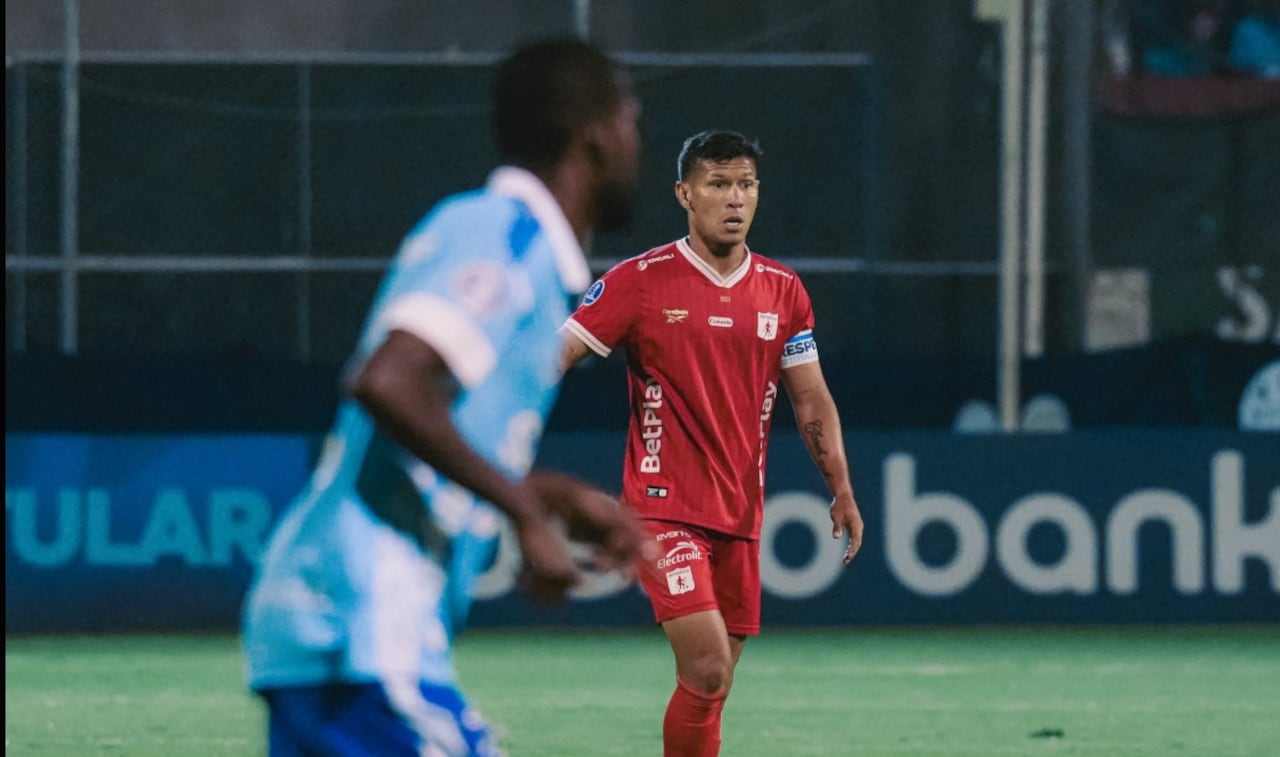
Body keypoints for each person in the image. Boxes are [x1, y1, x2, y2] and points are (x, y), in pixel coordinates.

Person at [242, 38, 649, 757]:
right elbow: (388, 381)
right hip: (363, 630)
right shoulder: (506, 235)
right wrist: (524, 512)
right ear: (596, 135)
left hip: (332, 630)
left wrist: (548, 495)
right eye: (630, 122)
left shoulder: (514, 245)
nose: (635, 144)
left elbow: (416, 425)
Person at [560, 129, 865, 756]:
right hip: (661, 507)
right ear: (684, 194)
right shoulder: (637, 282)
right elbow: (552, 356)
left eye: (746, 185)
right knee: (707, 668)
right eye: (718, 184)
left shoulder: (783, 293)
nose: (735, 199)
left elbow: (810, 399)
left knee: (712, 685)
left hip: (739, 515)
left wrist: (841, 487)